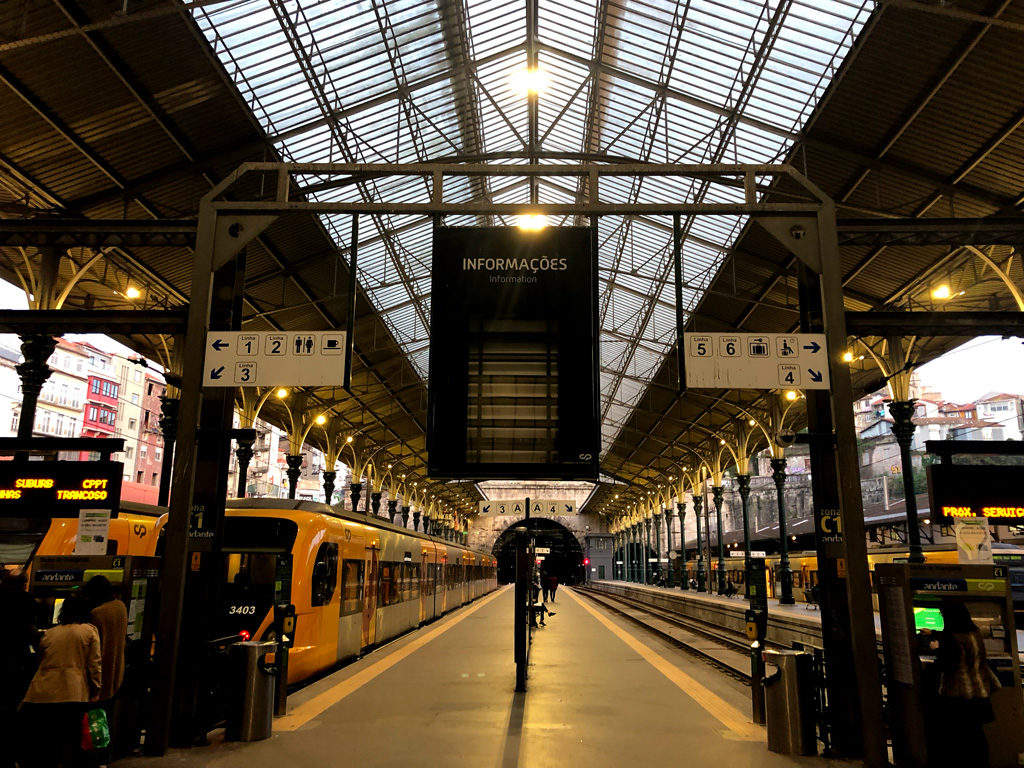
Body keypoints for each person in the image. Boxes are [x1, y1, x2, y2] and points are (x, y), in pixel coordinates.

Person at [20, 594, 102, 768]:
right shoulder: (89, 631)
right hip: (73, 692)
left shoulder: (51, 632)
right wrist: (96, 689)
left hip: (42, 692)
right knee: (72, 740)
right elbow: (94, 664)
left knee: (48, 741)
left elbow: (41, 659)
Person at [934, 602, 1000, 767]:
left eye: (942, 615)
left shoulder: (951, 636)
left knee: (959, 738)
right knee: (976, 735)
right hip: (979, 692)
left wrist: (936, 648)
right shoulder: (975, 632)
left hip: (960, 695)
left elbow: (947, 664)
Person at [0, 569, 39, 768]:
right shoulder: (27, 601)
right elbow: (31, 631)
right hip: (15, 661)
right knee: (14, 709)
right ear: (24, 583)